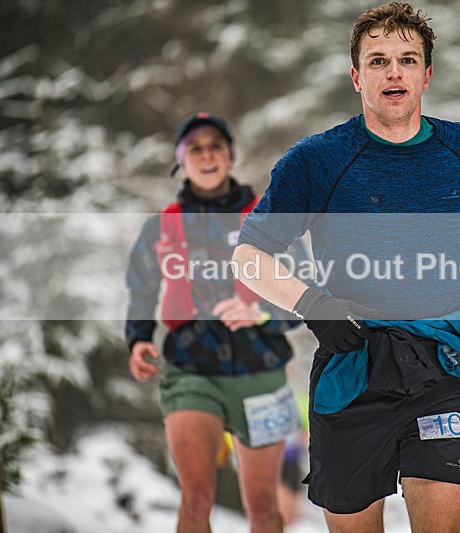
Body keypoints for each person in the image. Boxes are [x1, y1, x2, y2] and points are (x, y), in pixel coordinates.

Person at [232, 3, 460, 532]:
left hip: (444, 363)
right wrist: (314, 305)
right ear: (357, 77)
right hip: (354, 367)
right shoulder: (316, 160)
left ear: (427, 74)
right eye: (378, 61)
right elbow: (249, 257)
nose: (394, 72)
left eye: (407, 59)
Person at [125, 112, 300, 533]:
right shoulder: (161, 227)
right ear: (181, 161)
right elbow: (141, 289)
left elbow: (303, 293)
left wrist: (259, 312)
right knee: (196, 498)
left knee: (262, 506)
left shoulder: (268, 218)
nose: (207, 155)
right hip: (191, 370)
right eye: (195, 148)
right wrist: (138, 340)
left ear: (230, 156)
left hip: (261, 373)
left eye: (215, 146)